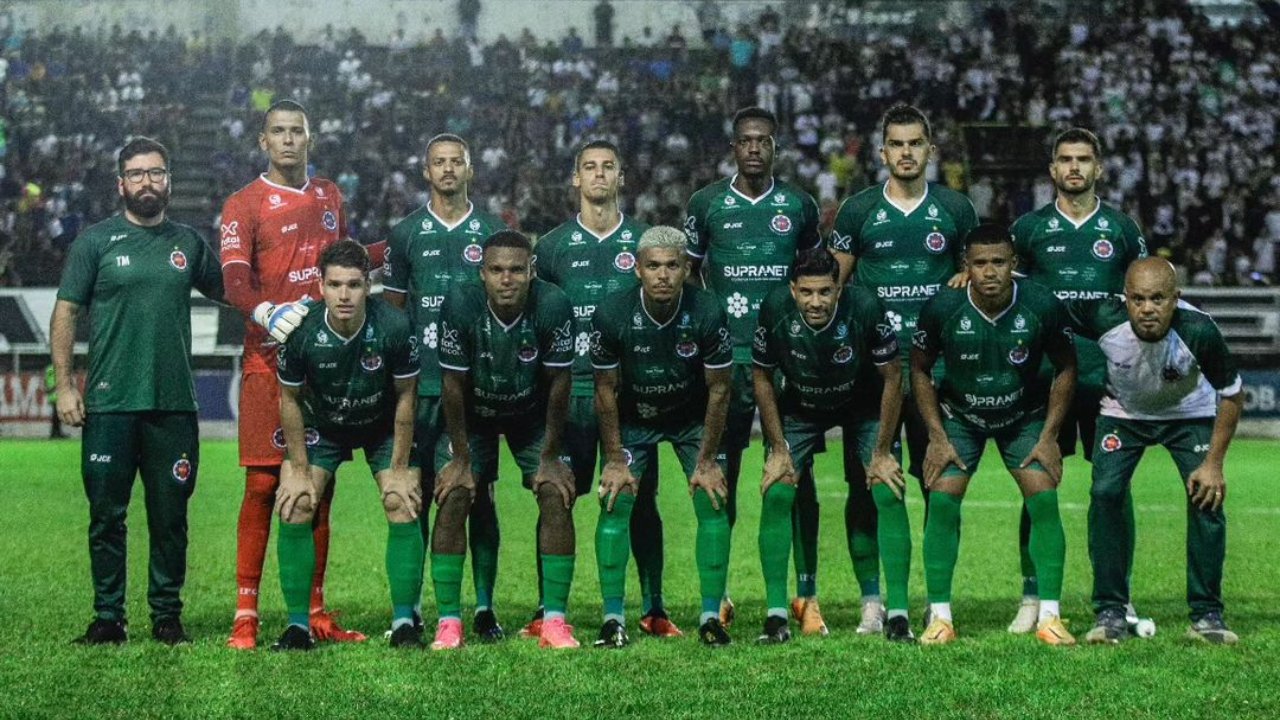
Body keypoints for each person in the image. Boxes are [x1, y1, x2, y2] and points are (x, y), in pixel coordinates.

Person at [220, 100, 383, 649]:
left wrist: (407, 242)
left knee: (321, 487)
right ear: (263, 141)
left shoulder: (329, 194)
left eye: (298, 132)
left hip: (324, 366)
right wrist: (266, 312)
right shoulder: (243, 204)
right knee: (264, 484)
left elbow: (351, 260)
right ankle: (247, 613)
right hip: (269, 363)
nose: (289, 141)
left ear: (309, 139)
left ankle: (315, 610)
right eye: (279, 132)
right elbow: (235, 283)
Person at [51, 137, 223, 645]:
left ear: (168, 180)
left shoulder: (189, 243)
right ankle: (108, 618)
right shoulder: (95, 242)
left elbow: (234, 291)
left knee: (171, 519)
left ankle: (167, 616)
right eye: (137, 174)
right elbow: (66, 314)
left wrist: (287, 293)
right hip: (109, 403)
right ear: (120, 183)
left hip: (173, 406)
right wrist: (65, 385)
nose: (147, 182)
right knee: (107, 518)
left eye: (156, 173)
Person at [828, 103, 977, 633]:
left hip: (937, 378)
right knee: (867, 485)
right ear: (883, 151)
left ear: (930, 151)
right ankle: (874, 601)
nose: (907, 152)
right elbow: (832, 286)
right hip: (872, 380)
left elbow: (979, 278)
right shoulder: (858, 210)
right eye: (897, 143)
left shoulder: (956, 209)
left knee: (941, 485)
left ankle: (938, 602)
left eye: (916, 143)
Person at [531, 141, 678, 637]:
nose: (598, 175)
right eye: (589, 168)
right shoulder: (550, 247)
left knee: (641, 498)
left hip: (628, 397)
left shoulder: (644, 244)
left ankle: (653, 606)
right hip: (568, 393)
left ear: (622, 177)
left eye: (608, 167)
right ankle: (547, 609)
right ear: (575, 179)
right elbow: (538, 319)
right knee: (557, 496)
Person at [684, 106, 822, 631]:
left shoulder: (799, 205)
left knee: (797, 474)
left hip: (788, 362)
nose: (755, 149)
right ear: (734, 147)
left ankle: (806, 597)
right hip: (725, 361)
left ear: (775, 147)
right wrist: (706, 327)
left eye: (764, 140)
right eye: (746, 141)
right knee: (722, 473)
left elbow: (816, 274)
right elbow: (688, 274)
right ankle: (717, 596)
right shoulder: (706, 205)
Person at [1007, 127, 1149, 633]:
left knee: (1111, 489)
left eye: (1083, 159)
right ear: (1052, 170)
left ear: (1099, 168)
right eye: (1065, 159)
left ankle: (1118, 596)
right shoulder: (1027, 230)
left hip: (1110, 381)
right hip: (1045, 378)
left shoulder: (1124, 230)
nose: (1074, 168)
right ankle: (1032, 595)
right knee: (1037, 485)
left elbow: (1147, 296)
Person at [910, 224, 1077, 646]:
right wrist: (937, 436)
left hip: (1023, 417)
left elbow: (1067, 367)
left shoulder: (1041, 304)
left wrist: (1050, 435)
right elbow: (919, 370)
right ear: (966, 266)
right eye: (980, 263)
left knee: (1044, 498)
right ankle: (940, 617)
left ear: (1013, 264)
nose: (989, 272)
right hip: (961, 417)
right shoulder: (942, 307)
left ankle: (1051, 617)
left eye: (998, 262)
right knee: (943, 501)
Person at [1065, 258, 1242, 645]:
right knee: (1105, 493)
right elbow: (1045, 302)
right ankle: (1111, 611)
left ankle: (1207, 615)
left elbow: (1231, 394)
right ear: (1124, 299)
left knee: (1206, 499)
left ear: (1175, 299)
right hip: (1123, 414)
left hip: (1189, 413)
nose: (1147, 309)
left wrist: (1214, 463)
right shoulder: (1101, 315)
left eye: (1158, 299)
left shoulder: (1199, 330)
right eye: (1139, 299)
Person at [382, 133, 509, 639]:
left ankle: (482, 607)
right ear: (426, 171)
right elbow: (392, 317)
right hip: (418, 389)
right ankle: (407, 612)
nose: (449, 169)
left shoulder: (493, 231)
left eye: (458, 161)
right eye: (440, 162)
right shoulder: (406, 233)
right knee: (411, 496)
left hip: (476, 390)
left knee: (479, 495)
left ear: (470, 169)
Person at [429, 230, 579, 650]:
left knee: (555, 492)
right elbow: (452, 385)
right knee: (455, 494)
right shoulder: (460, 304)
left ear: (531, 272)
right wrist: (460, 457)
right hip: (473, 416)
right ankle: (449, 622)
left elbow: (560, 383)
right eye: (496, 270)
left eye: (516, 269)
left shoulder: (552, 304)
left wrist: (549, 455)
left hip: (531, 416)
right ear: (482, 274)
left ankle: (553, 620)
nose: (506, 279)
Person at [751, 249, 910, 643]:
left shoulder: (866, 307)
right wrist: (777, 449)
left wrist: (883, 451)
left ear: (840, 289)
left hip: (863, 406)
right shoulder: (773, 309)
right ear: (792, 290)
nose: (816, 302)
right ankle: (776, 616)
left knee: (886, 491)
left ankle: (893, 614)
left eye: (825, 292)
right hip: (801, 408)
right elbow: (762, 378)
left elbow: (893, 377)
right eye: (806, 292)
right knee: (777, 491)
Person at [270, 240, 423, 650]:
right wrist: (299, 468)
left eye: (354, 285)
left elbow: (408, 395)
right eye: (335, 284)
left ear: (367, 288)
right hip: (325, 427)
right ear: (320, 286)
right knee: (297, 504)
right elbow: (289, 398)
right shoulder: (300, 330)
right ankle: (299, 627)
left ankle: (406, 621)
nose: (344, 295)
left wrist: (402, 465)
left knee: (401, 501)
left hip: (380, 424)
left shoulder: (393, 325)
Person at [590, 226, 734, 648]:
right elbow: (604, 390)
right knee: (615, 500)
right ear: (637, 269)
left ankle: (710, 617)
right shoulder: (612, 313)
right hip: (634, 419)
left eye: (673, 265)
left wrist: (706, 461)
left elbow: (720, 388)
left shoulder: (707, 311)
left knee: (712, 498)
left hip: (691, 419)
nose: (663, 275)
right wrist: (615, 459)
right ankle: (612, 618)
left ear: (686, 268)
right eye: (653, 266)